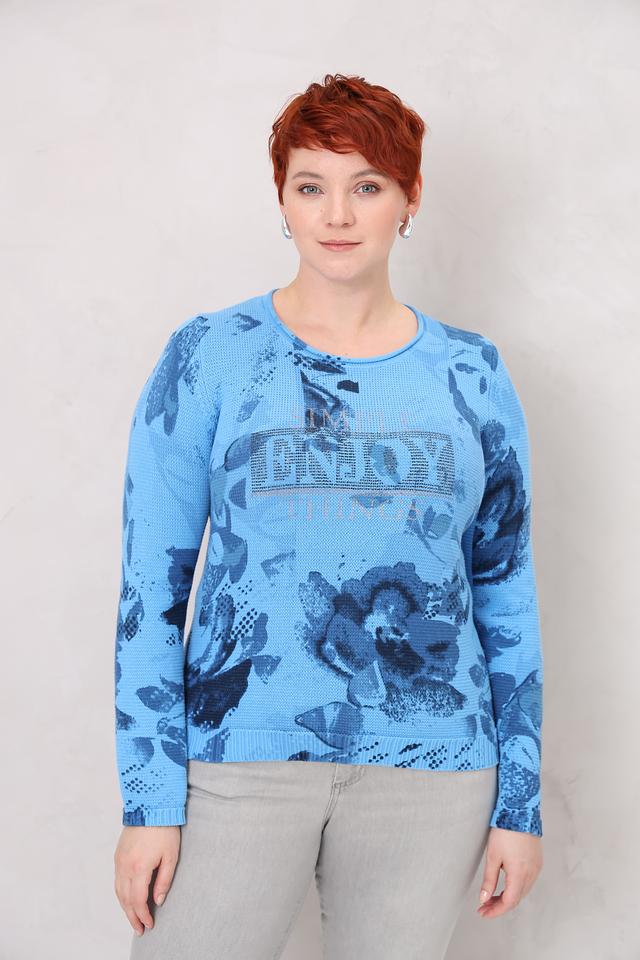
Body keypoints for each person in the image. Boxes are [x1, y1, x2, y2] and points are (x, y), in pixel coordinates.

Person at [113, 72, 544, 959]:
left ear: (410, 199)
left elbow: (506, 590)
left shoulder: (472, 374)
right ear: (282, 199)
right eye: (311, 186)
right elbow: (149, 591)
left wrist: (521, 802)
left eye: (367, 186)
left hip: (434, 769)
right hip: (238, 757)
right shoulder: (209, 356)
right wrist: (149, 799)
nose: (337, 215)